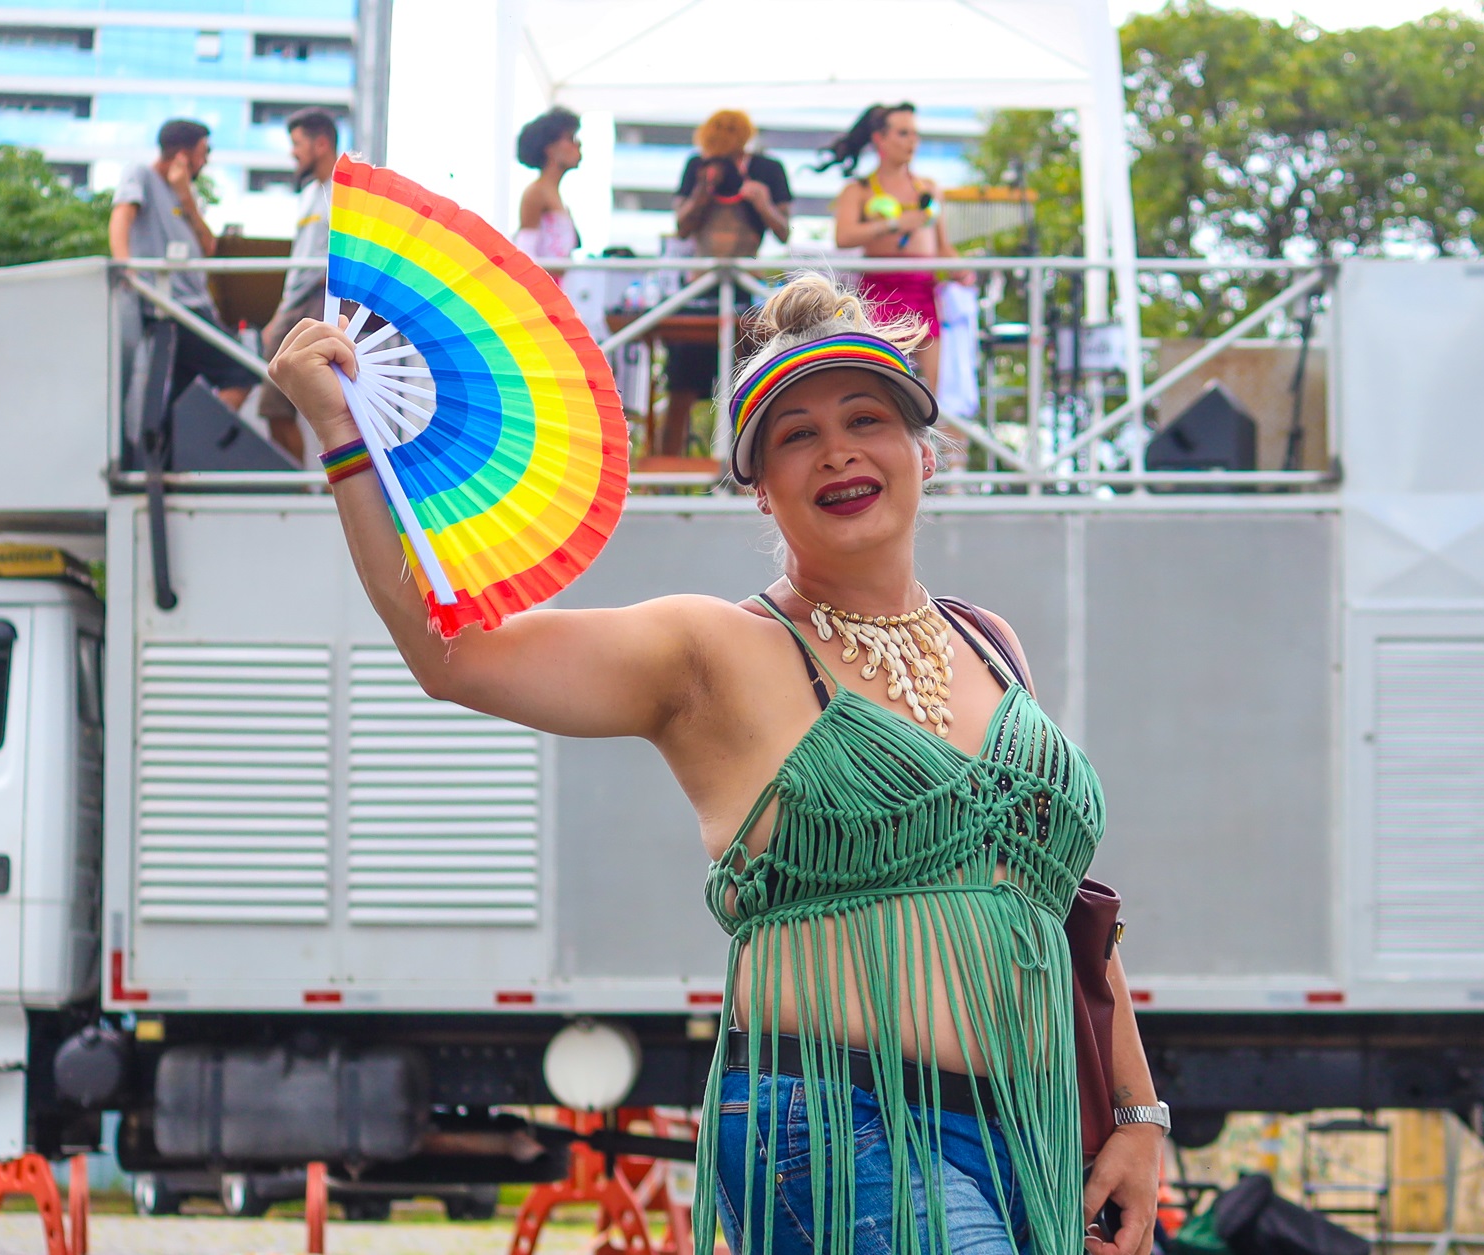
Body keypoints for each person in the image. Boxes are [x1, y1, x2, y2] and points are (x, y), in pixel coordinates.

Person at [266, 270, 1165, 1255]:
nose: (837, 452)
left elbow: (1062, 909)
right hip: (834, 1120)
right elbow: (452, 657)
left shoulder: (988, 641)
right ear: (762, 490)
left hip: (1027, 1129)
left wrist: (1137, 1116)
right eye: (795, 435)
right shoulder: (710, 651)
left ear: (923, 450)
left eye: (866, 418)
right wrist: (345, 440)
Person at [662, 109, 793, 459]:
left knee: (751, 380)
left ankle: (747, 467)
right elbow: (681, 226)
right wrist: (705, 188)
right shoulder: (698, 167)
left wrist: (761, 202)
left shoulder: (767, 169)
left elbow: (784, 231)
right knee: (681, 383)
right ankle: (663, 473)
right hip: (699, 285)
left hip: (747, 285)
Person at [109, 118, 258, 412]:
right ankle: (206, 448)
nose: (206, 160)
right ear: (182, 153)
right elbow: (121, 216)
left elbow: (209, 246)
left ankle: (179, 454)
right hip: (174, 306)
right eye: (204, 152)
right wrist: (124, 265)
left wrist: (185, 196)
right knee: (242, 372)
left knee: (179, 396)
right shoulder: (141, 174)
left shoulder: (185, 194)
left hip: (195, 302)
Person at [821, 103, 966, 391]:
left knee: (936, 390)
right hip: (880, 291)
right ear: (880, 139)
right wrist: (893, 224)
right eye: (903, 133)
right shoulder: (858, 189)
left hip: (924, 289)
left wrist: (962, 271)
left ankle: (930, 438)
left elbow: (943, 246)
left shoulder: (929, 188)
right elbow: (843, 236)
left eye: (914, 133)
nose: (912, 141)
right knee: (880, 385)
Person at [258, 107, 341, 461]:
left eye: (297, 144)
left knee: (341, 407)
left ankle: (335, 490)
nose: (293, 152)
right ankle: (298, 487)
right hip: (293, 306)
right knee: (273, 407)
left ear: (321, 144)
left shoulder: (347, 191)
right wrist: (278, 315)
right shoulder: (309, 194)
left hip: (325, 303)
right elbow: (299, 260)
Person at [514, 107, 582, 273]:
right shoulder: (536, 193)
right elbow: (525, 253)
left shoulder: (553, 194)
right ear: (550, 149)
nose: (578, 144)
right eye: (570, 138)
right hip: (541, 292)